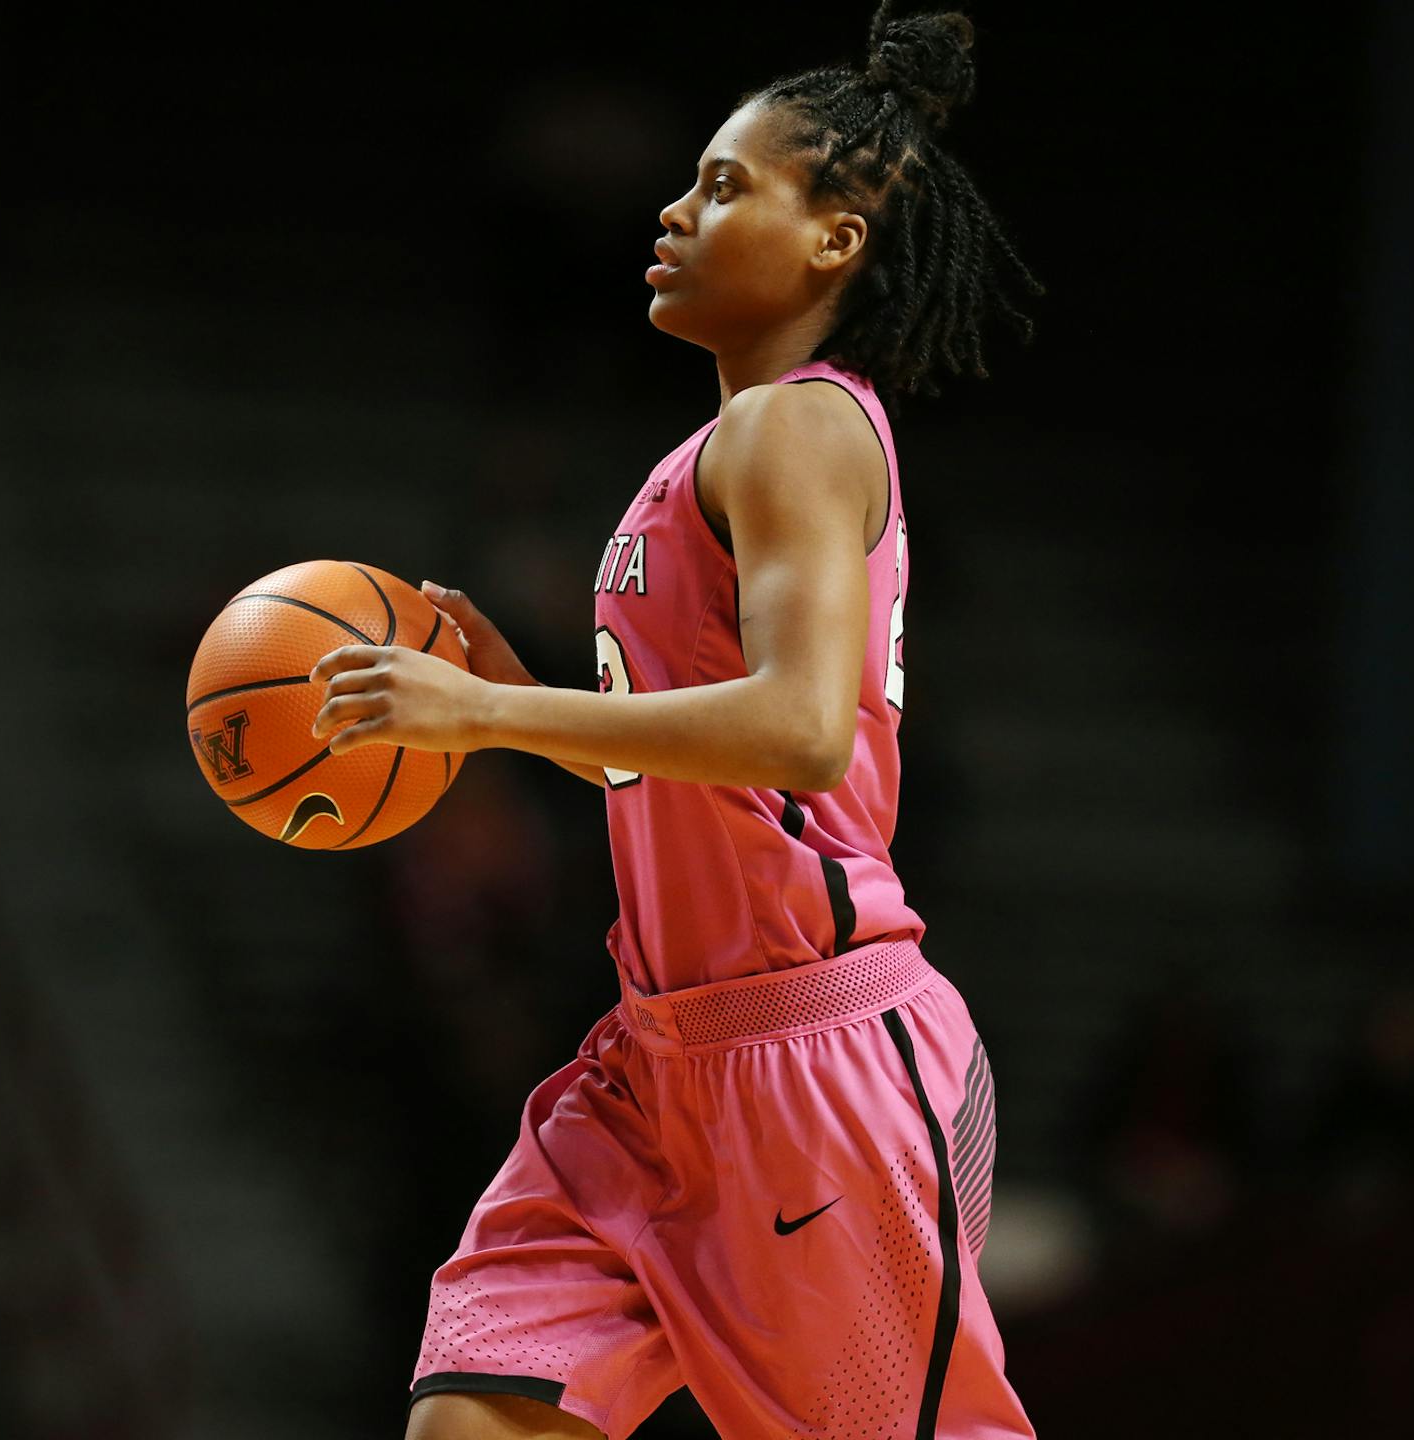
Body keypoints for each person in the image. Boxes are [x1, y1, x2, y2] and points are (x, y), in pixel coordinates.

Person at [308, 5, 1042, 1434]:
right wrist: (517, 684)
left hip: (809, 1056)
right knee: (472, 1419)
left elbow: (800, 731)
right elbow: (687, 745)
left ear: (836, 241)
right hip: (657, 1064)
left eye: (724, 186)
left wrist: (492, 708)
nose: (675, 207)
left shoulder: (802, 426)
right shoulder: (714, 454)